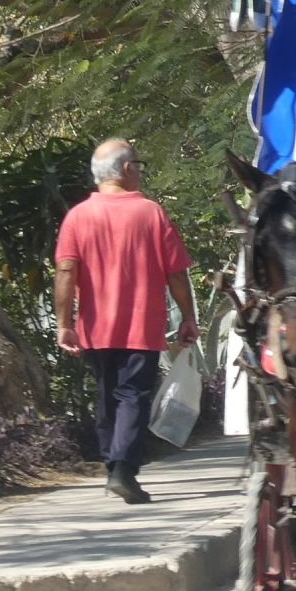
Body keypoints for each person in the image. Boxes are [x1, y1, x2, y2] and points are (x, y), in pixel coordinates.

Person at [54, 139, 197, 505]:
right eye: (139, 163)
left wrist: (64, 323)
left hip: (95, 328)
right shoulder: (151, 213)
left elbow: (66, 271)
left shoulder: (78, 217)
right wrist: (188, 317)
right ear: (127, 169)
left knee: (107, 394)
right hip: (140, 326)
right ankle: (122, 470)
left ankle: (113, 464)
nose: (140, 170)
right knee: (132, 395)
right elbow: (176, 274)